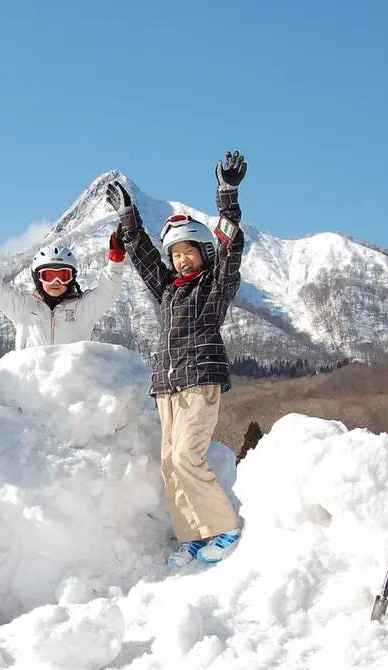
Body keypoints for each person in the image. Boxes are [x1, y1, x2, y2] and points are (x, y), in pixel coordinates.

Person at [108, 151, 248, 568]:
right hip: (167, 384)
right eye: (176, 254)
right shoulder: (169, 289)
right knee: (171, 465)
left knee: (188, 456)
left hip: (200, 378)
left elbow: (231, 244)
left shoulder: (215, 285)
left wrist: (228, 193)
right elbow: (144, 257)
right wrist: (128, 219)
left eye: (189, 251)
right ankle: (192, 535)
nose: (181, 259)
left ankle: (225, 528)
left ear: (204, 253)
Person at [0, 223, 125, 349]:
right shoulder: (23, 307)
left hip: (72, 387)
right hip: (32, 387)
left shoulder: (84, 308)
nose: (55, 283)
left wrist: (115, 262)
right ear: (38, 279)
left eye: (62, 276)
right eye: (49, 276)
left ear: (72, 279)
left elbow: (107, 291)